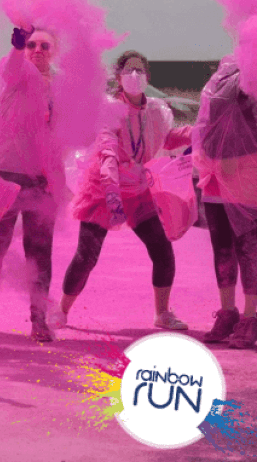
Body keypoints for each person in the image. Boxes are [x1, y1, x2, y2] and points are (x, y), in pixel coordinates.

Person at [52, 51, 191, 331]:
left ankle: (162, 313)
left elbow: (166, 137)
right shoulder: (109, 110)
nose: (135, 76)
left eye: (140, 71)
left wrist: (198, 133)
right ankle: (61, 311)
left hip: (137, 190)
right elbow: (107, 152)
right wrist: (112, 193)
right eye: (129, 70)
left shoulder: (156, 111)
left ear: (148, 76)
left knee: (161, 248)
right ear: (118, 77)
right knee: (87, 256)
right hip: (104, 190)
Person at [0, 26, 64, 342]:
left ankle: (39, 319)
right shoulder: (11, 71)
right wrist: (16, 45)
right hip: (3, 173)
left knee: (39, 251)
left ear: (54, 50)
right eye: (31, 45)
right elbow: (9, 69)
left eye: (44, 46)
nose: (37, 50)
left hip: (42, 178)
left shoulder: (61, 86)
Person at [192, 55, 257, 348]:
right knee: (221, 247)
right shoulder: (222, 74)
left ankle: (250, 317)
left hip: (246, 175)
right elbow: (203, 123)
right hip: (215, 176)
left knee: (248, 247)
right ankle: (228, 312)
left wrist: (237, 154)